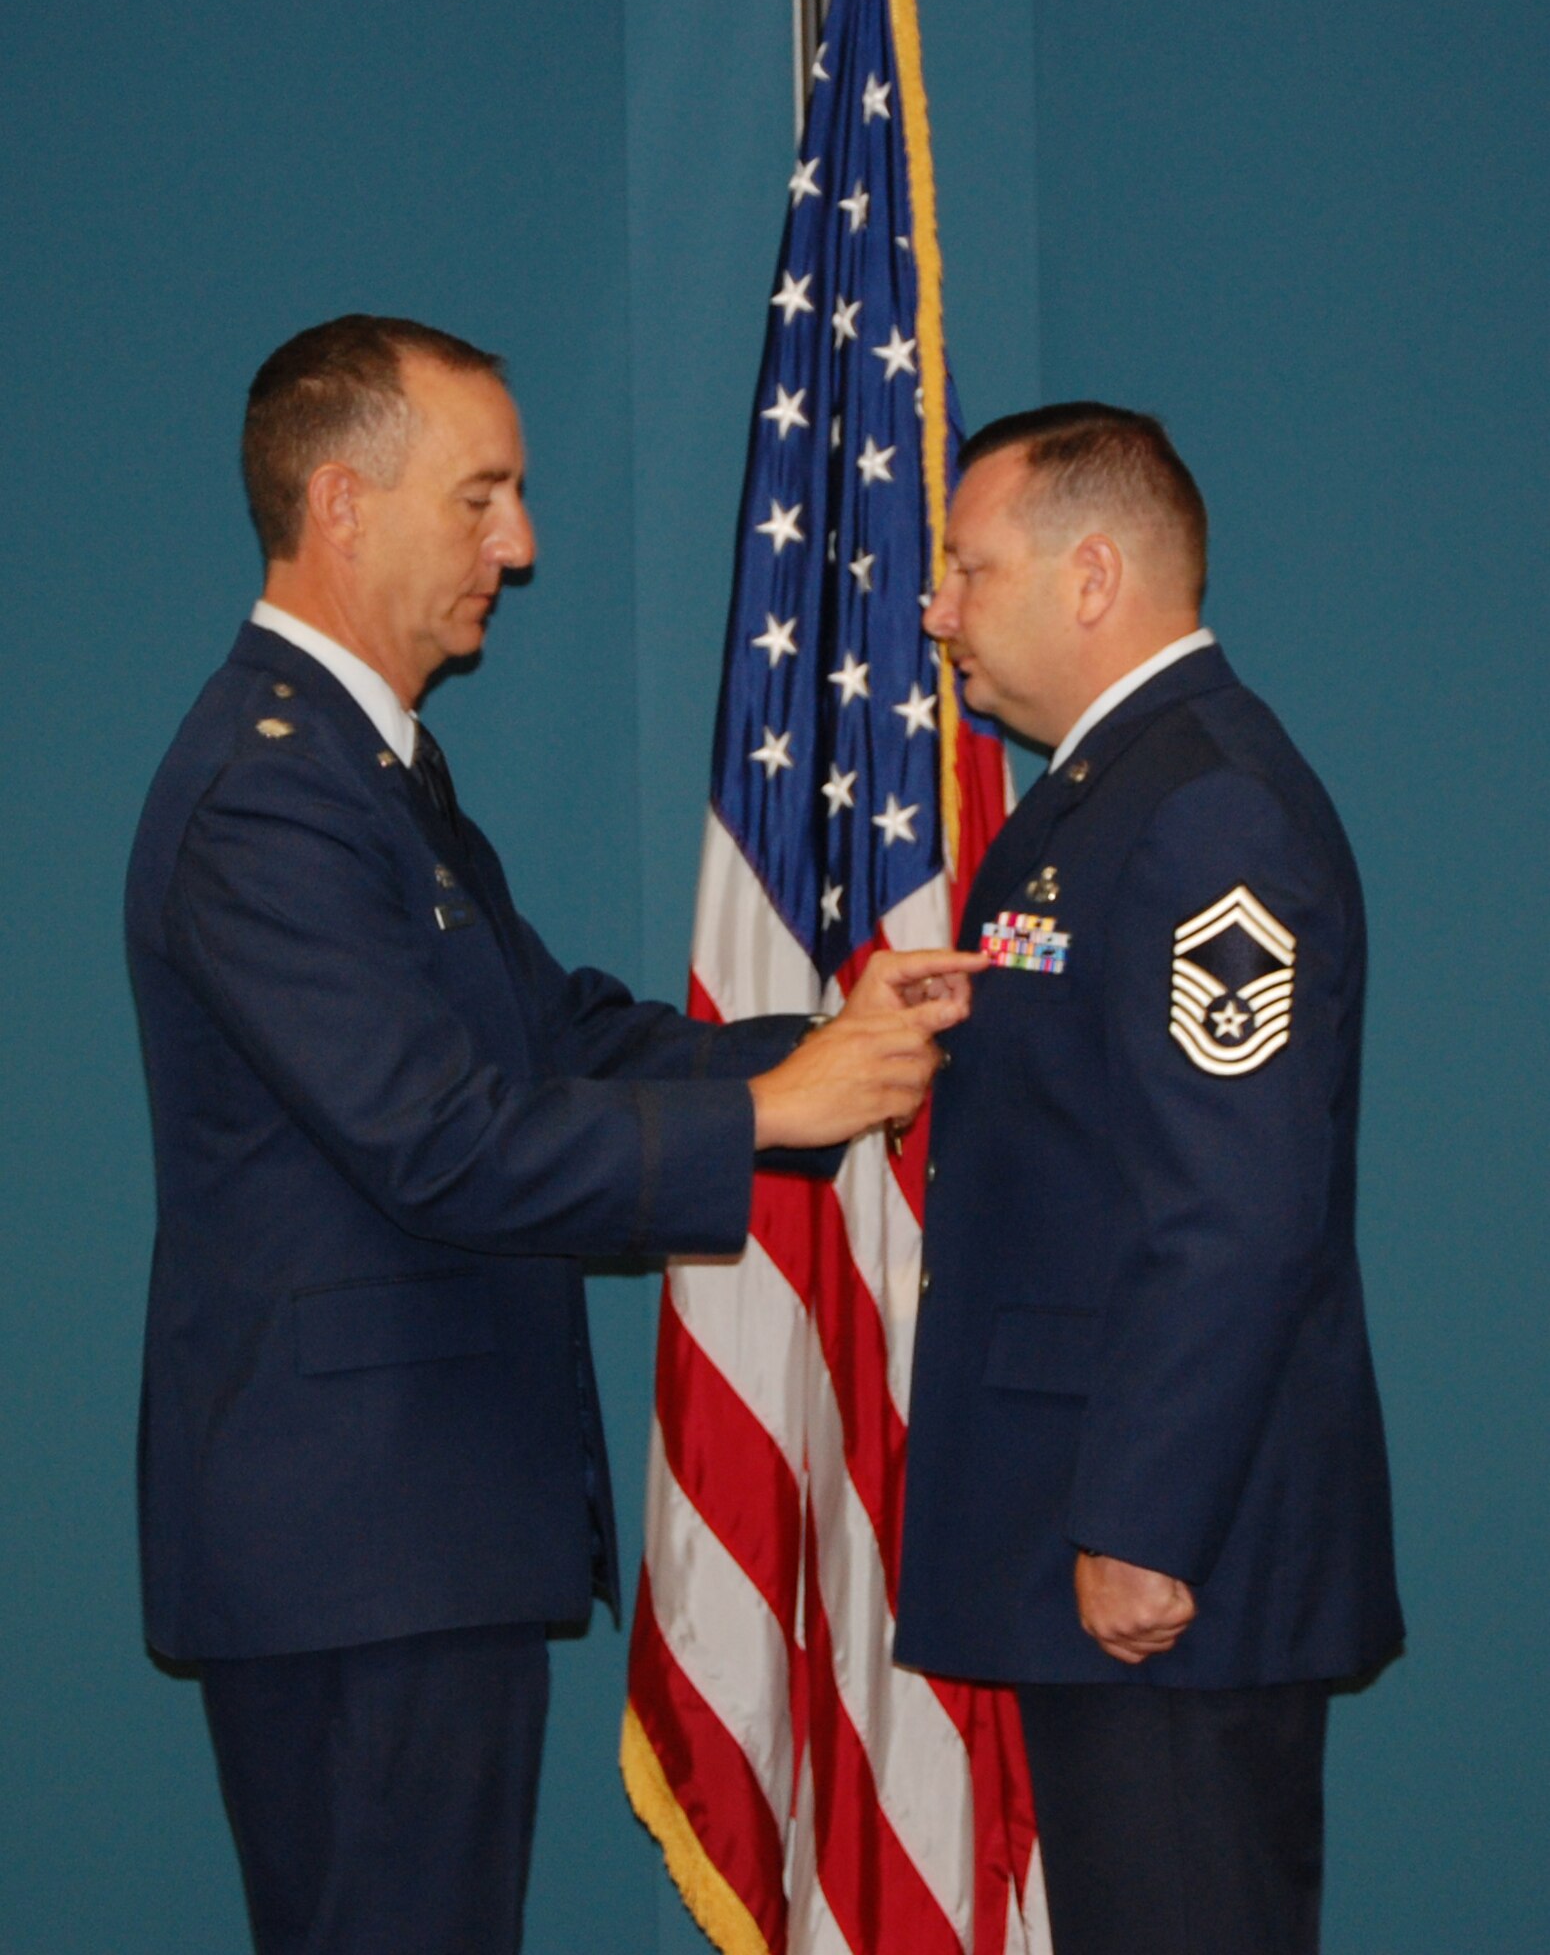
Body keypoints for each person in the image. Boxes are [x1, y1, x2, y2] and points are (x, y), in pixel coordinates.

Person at [125, 313, 980, 1955]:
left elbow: (561, 1035)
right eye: (481, 497)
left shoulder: (369, 772)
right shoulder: (270, 792)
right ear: (340, 503)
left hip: (408, 1543)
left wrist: (832, 1044)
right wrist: (771, 1110)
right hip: (358, 1557)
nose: (516, 547)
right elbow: (442, 1143)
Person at [895, 404, 1403, 1954]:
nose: (936, 611)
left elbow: (1235, 1211)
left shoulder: (1203, 809)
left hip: (1174, 1564)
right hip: (1117, 1543)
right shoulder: (1097, 799)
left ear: (1092, 575)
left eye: (968, 569)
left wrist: (1142, 1519)